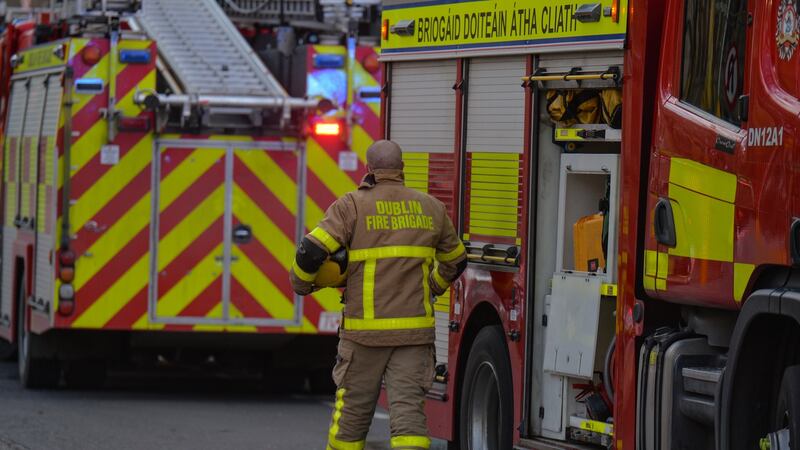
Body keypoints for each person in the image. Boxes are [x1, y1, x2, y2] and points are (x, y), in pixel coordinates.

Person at [290, 140, 467, 450]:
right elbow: (456, 260)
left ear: (369, 170)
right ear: (401, 170)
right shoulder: (431, 208)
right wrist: (434, 286)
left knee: (351, 422)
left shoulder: (352, 205)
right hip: (414, 337)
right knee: (409, 422)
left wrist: (303, 285)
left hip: (364, 337)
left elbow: (309, 252)